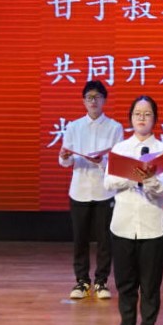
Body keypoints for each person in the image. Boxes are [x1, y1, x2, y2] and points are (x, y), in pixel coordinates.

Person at [105, 95, 163, 325]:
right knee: (125, 283)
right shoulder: (120, 149)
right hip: (123, 224)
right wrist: (133, 177)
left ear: (155, 119)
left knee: (150, 283)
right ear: (130, 118)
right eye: (137, 114)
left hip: (152, 225)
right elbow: (108, 183)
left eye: (147, 114)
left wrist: (150, 180)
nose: (142, 118)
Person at [57, 79, 121, 301]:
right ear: (83, 101)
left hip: (105, 190)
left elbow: (118, 162)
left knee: (105, 240)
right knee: (80, 239)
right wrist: (65, 156)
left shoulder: (115, 127)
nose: (93, 101)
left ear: (104, 100)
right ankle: (82, 281)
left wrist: (101, 160)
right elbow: (65, 161)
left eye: (97, 97)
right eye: (89, 97)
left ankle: (101, 281)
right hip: (80, 190)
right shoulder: (73, 127)